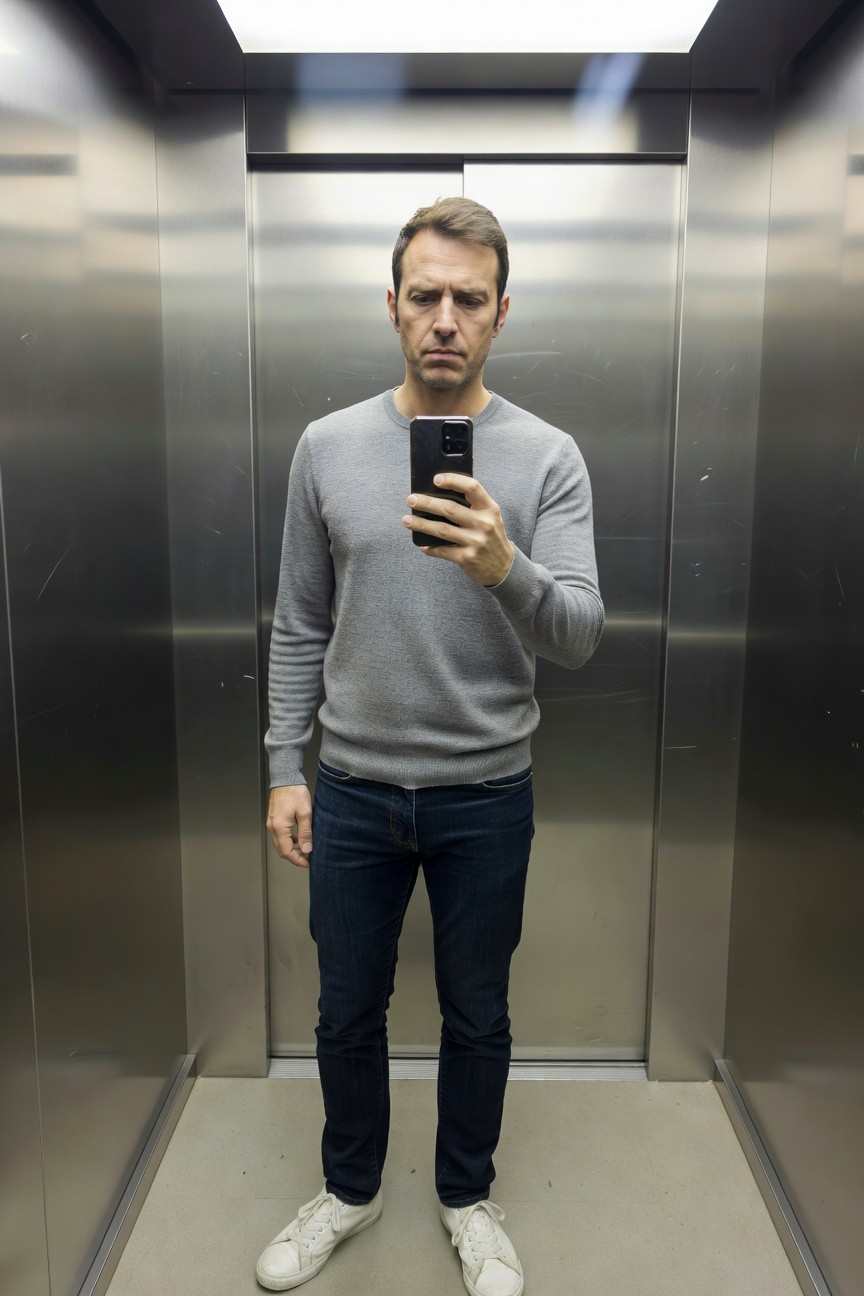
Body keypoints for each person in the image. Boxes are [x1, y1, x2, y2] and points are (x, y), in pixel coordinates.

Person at [256, 197, 604, 1295]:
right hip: (352, 787)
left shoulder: (548, 459)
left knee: (478, 1008)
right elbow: (299, 621)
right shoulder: (327, 447)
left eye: (468, 298)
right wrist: (281, 767)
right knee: (344, 1005)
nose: (445, 317)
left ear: (502, 312)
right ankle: (349, 1188)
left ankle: (465, 1193)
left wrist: (506, 566)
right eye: (425, 296)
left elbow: (583, 634)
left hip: (486, 793)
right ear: (393, 306)